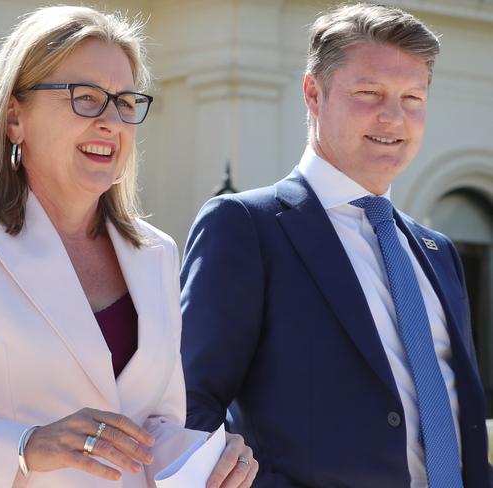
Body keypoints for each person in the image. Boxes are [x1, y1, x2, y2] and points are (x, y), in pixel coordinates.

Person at [0, 6, 258, 488]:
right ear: (14, 117)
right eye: (86, 98)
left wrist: (207, 456)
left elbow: (147, 432)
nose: (111, 121)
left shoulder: (155, 253)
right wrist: (25, 447)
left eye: (125, 102)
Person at [180, 3, 491, 488]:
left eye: (412, 97)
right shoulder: (245, 227)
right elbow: (189, 409)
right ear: (313, 93)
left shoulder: (438, 250)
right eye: (369, 93)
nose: (394, 117)